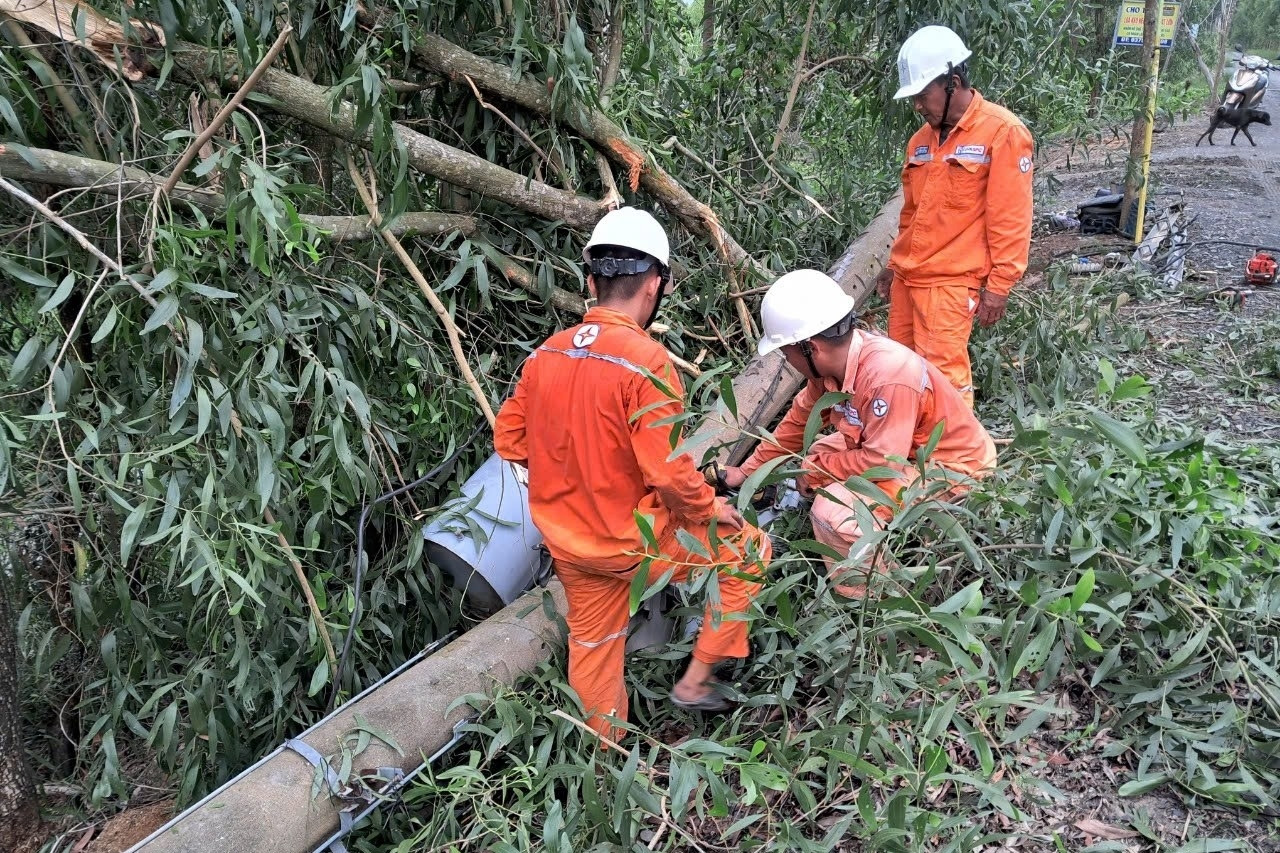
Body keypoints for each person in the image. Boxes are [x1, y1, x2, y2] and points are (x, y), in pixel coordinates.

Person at [494, 207, 771, 737]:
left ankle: (606, 758)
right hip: (635, 543)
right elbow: (667, 473)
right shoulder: (647, 363)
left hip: (570, 546)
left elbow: (509, 441)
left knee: (593, 647)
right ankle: (698, 681)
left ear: (592, 282)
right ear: (655, 284)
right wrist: (709, 506)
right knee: (749, 552)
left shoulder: (543, 356)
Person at [721, 270, 996, 595]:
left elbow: (884, 463)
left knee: (832, 511)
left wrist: (816, 471)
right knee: (817, 452)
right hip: (898, 445)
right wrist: (746, 472)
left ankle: (877, 603)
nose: (787, 360)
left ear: (810, 347)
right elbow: (797, 425)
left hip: (948, 467)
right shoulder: (832, 370)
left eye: (786, 353)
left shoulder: (886, 374)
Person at [874, 25, 1035, 408]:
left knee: (943, 378)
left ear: (953, 83)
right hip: (909, 278)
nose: (917, 105)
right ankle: (908, 447)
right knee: (902, 370)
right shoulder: (920, 141)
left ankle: (956, 460)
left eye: (922, 95)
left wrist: (999, 285)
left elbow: (1011, 217)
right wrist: (893, 265)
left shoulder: (1003, 132)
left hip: (950, 282)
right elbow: (911, 214)